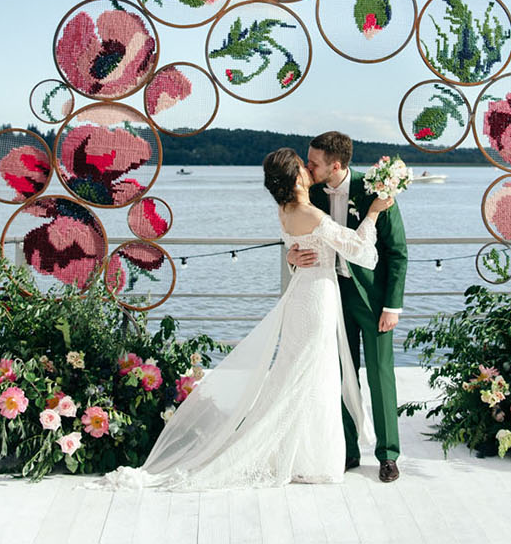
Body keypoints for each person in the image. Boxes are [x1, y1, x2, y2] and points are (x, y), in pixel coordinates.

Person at [102, 147, 392, 490]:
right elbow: (359, 249)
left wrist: (292, 254)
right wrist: (374, 211)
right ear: (296, 176)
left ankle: (302, 453)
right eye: (303, 166)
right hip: (315, 297)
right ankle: (311, 459)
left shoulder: (285, 210)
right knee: (313, 375)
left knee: (300, 372)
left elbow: (298, 243)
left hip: (305, 293)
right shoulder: (308, 212)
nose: (307, 169)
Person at [291, 131, 407, 483]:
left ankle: (388, 455)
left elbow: (397, 252)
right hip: (329, 294)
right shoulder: (309, 194)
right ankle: (347, 450)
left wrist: (392, 306)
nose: (308, 167)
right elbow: (300, 240)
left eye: (314, 162)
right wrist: (292, 256)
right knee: (339, 374)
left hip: (373, 300)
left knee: (380, 374)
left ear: (336, 165)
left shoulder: (376, 191)